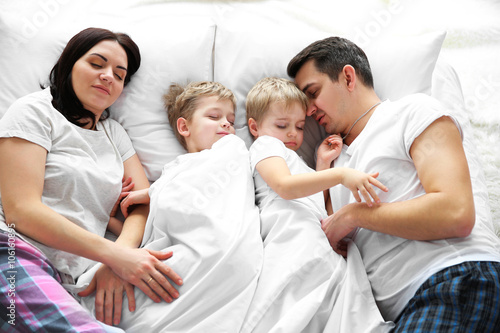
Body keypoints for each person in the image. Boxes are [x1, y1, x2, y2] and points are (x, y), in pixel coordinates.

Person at [287, 36, 500, 331]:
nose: (308, 110)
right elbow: (333, 237)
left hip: (452, 279)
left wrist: (354, 215)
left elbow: (456, 212)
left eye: (313, 92)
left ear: (348, 76)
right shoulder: (335, 163)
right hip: (401, 312)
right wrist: (322, 171)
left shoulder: (411, 112)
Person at [0, 27, 182, 332]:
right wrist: (114, 255)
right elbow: (21, 210)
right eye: (96, 64)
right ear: (70, 64)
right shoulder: (34, 111)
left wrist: (119, 255)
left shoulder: (115, 135)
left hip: (68, 275)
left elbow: (141, 202)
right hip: (13, 248)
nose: (109, 76)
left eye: (119, 74)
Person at [104, 81, 263, 332]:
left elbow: (183, 200)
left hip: (227, 246)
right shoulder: (175, 169)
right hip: (188, 253)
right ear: (184, 126)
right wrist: (110, 220)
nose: (226, 124)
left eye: (231, 120)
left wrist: (152, 193)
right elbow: (158, 229)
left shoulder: (233, 149)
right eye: (214, 116)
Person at [241, 77, 392, 332]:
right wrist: (341, 175)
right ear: (254, 127)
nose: (292, 133)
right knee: (290, 308)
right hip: (290, 237)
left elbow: (313, 202)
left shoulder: (295, 159)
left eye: (300, 127)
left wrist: (322, 164)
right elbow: (285, 187)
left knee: (324, 310)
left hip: (315, 239)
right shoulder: (265, 146)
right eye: (282, 125)